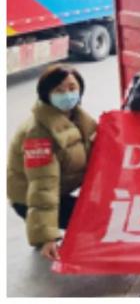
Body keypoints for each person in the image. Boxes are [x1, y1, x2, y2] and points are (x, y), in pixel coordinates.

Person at [7, 65, 97, 261]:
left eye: (72, 88)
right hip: (28, 199)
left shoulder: (79, 118)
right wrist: (47, 237)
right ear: (46, 94)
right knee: (95, 220)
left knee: (107, 212)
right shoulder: (38, 134)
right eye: (59, 90)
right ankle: (40, 229)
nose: (67, 94)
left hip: (59, 191)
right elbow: (42, 187)